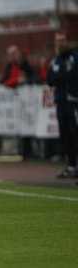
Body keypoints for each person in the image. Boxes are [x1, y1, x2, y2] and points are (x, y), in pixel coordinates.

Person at [47, 32, 78, 178]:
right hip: (60, 101)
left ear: (67, 41)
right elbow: (50, 79)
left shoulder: (74, 57)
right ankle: (71, 166)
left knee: (75, 132)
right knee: (65, 135)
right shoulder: (55, 61)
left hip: (73, 101)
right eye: (57, 41)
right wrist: (62, 76)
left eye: (62, 40)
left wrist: (61, 76)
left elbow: (72, 75)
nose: (60, 43)